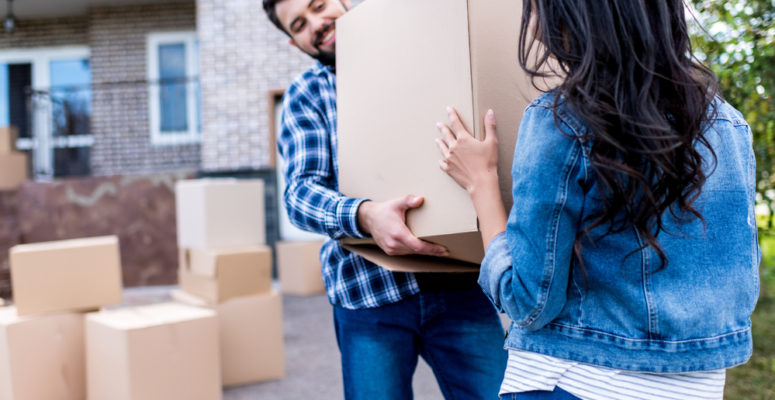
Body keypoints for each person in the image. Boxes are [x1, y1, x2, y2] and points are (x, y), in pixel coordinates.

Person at [435, 0, 760, 399]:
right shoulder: (728, 124)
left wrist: (481, 182)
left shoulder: (562, 120)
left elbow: (529, 302)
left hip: (570, 382)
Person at [261, 0, 507, 398]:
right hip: (366, 293)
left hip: (456, 277)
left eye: (318, 5)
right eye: (300, 24)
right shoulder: (306, 95)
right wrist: (364, 215)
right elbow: (298, 193)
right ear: (295, 44)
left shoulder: (422, 57)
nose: (317, 24)